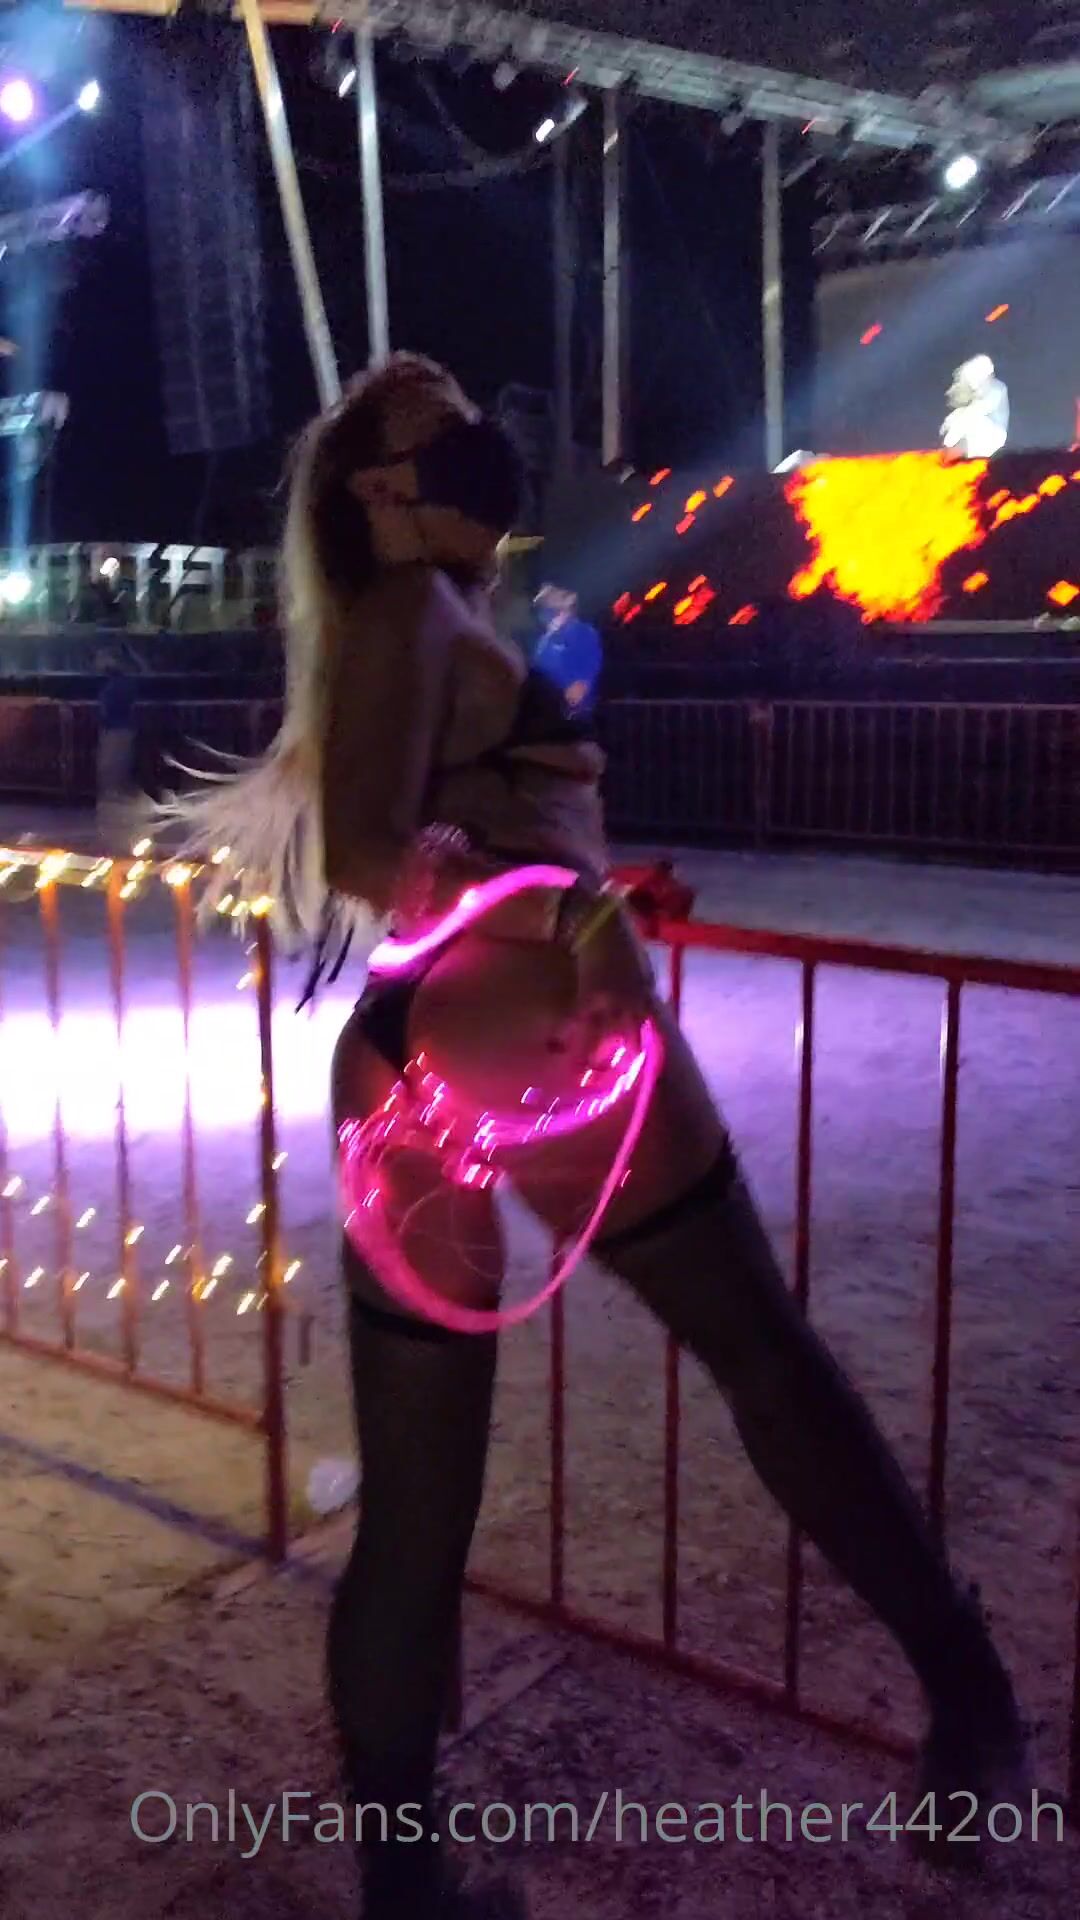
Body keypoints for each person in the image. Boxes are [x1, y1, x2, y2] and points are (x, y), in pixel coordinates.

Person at [165, 355, 1024, 1918]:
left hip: (405, 1068)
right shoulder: (414, 614)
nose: (480, 443)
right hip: (539, 1035)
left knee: (417, 1515)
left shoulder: (417, 623)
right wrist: (571, 910)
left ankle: (405, 1885)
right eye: (443, 429)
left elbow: (395, 843)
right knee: (765, 1357)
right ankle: (971, 1698)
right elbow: (368, 853)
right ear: (382, 490)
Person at [530, 582, 602, 716]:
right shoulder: (544, 640)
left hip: (574, 716)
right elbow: (538, 668)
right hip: (545, 713)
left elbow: (578, 691)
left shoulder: (585, 633)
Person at [95, 646, 139, 831]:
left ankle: (117, 814)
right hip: (119, 730)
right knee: (114, 771)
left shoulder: (117, 685)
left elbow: (110, 710)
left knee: (112, 771)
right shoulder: (118, 684)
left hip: (116, 731)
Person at [940, 355, 1009, 458]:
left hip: (991, 439)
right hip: (980, 436)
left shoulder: (996, 390)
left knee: (968, 422)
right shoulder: (981, 391)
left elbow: (973, 414)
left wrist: (949, 442)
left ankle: (954, 457)